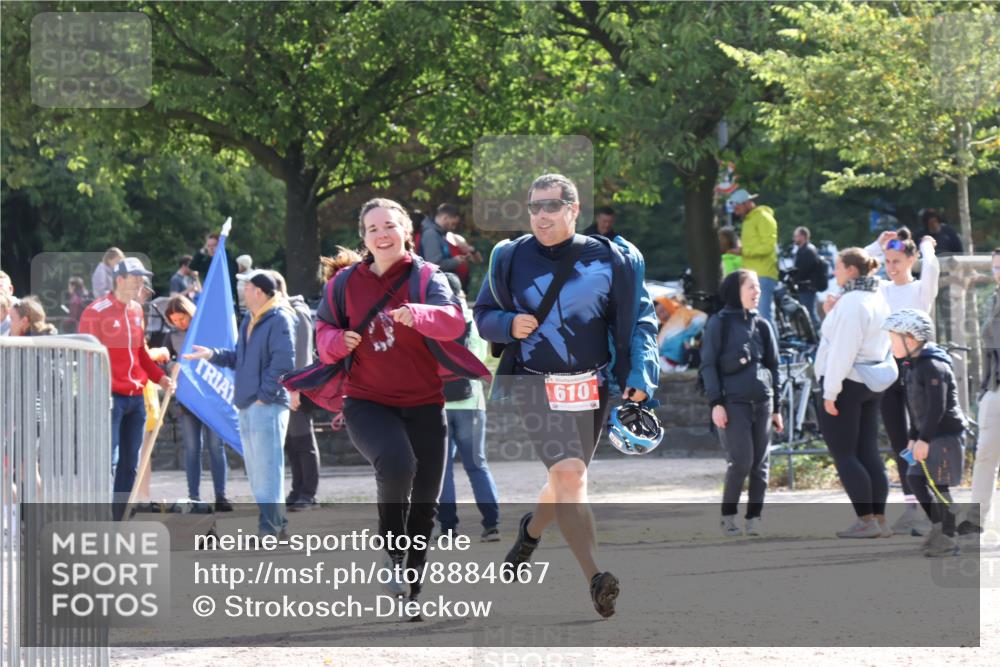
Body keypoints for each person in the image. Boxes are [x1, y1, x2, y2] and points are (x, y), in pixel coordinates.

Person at [474, 173, 659, 619]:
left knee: (565, 482)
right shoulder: (509, 256)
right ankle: (597, 576)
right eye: (534, 206)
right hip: (534, 383)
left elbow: (641, 321)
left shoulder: (613, 258)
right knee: (572, 476)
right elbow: (482, 315)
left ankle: (531, 530)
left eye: (551, 206)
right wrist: (507, 325)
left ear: (574, 210)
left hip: (590, 386)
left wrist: (641, 373)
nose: (541, 215)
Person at [313, 198, 489, 619]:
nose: (382, 234)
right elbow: (323, 332)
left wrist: (419, 314)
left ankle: (411, 581)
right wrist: (339, 343)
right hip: (366, 401)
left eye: (389, 225)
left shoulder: (429, 277)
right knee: (395, 463)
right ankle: (391, 555)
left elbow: (453, 320)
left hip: (426, 402)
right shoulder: (342, 285)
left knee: (426, 500)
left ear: (406, 231)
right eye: (373, 229)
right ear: (365, 237)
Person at [185, 271, 295, 537]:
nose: (242, 291)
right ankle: (277, 528)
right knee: (258, 474)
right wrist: (212, 355)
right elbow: (239, 358)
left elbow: (283, 363)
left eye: (246, 286)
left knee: (267, 471)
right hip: (248, 404)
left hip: (265, 406)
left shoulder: (279, 318)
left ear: (258, 291)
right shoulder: (250, 318)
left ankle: (269, 529)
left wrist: (263, 396)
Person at [79, 258, 174, 520]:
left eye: (142, 278)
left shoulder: (136, 310)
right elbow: (86, 358)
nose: (141, 283)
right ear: (119, 279)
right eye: (136, 277)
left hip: (135, 397)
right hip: (108, 396)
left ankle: (119, 518)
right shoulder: (96, 311)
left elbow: (141, 353)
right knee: (105, 462)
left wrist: (160, 378)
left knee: (130, 465)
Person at [859, 227, 940, 535]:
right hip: (889, 369)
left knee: (919, 437)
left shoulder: (921, 290)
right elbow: (860, 268)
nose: (891, 267)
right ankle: (912, 507)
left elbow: (931, 268)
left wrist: (925, 246)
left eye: (897, 261)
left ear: (911, 260)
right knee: (897, 439)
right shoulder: (881, 289)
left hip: (918, 371)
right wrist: (877, 246)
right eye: (888, 261)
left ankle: (931, 503)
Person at [815, 247, 894, 538]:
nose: (834, 272)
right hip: (870, 382)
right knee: (868, 453)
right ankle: (880, 519)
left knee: (845, 455)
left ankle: (865, 520)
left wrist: (830, 392)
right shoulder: (878, 297)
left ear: (850, 269)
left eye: (837, 266)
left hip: (847, 382)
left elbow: (841, 352)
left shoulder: (852, 303)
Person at [699, 270, 783, 536]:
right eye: (751, 287)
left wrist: (777, 407)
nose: (757, 292)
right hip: (733, 404)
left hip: (763, 403)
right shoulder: (719, 323)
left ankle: (754, 518)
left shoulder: (763, 325)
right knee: (742, 461)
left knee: (761, 464)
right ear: (736, 290)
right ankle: (728, 515)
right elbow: (708, 366)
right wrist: (716, 403)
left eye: (758, 287)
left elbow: (774, 367)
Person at [882, 309, 967, 557]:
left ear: (911, 338)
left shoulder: (933, 365)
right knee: (915, 479)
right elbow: (914, 406)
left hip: (943, 435)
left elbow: (937, 407)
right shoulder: (911, 366)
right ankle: (939, 527)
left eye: (893, 338)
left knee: (940, 486)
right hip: (926, 434)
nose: (890, 344)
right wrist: (912, 435)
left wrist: (925, 439)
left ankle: (949, 538)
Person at [437, 272, 500, 542]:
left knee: (443, 469)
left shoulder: (435, 321)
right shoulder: (474, 320)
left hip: (438, 403)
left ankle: (449, 528)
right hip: (472, 403)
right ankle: (492, 524)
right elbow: (482, 358)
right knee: (477, 464)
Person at [164, 295, 232, 512]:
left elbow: (224, 356)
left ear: (191, 313)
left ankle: (221, 496)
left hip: (212, 398)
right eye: (174, 320)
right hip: (188, 401)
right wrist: (171, 366)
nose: (178, 324)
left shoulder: (207, 330)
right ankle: (193, 497)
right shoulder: (171, 336)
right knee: (192, 449)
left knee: (216, 447)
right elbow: (164, 360)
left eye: (182, 319)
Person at [270, 270, 321, 512]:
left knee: (302, 440)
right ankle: (297, 488)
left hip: (297, 389)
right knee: (291, 442)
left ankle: (308, 494)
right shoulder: (278, 314)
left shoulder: (297, 313)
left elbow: (301, 355)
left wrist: (295, 389)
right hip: (284, 389)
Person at [959, 248, 1000, 535]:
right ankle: (976, 519)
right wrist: (985, 390)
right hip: (994, 389)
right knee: (985, 454)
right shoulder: (994, 299)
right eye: (996, 267)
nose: (999, 272)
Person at [728, 189, 778, 328]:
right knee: (757, 316)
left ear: (746, 203)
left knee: (763, 316)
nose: (735, 211)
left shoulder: (762, 217)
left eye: (737, 207)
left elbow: (768, 247)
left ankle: (772, 349)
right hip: (755, 275)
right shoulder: (749, 220)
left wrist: (743, 252)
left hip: (764, 274)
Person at [417, 203, 480, 291]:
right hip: (435, 287)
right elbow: (434, 265)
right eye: (453, 223)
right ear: (445, 218)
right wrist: (456, 261)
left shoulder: (439, 234)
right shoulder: (431, 234)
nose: (453, 227)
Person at [654, 295, 707, 372]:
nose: (663, 315)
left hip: (686, 362)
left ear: (668, 306)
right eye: (658, 314)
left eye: (663, 310)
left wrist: (688, 335)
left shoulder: (682, 313)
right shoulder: (661, 328)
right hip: (668, 366)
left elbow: (702, 317)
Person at [792, 226, 823, 331]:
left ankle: (819, 337)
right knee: (808, 313)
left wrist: (794, 276)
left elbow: (803, 270)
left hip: (807, 287)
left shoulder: (808, 250)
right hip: (805, 287)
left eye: (796, 236)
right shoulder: (804, 250)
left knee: (809, 313)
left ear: (803, 236)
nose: (794, 238)